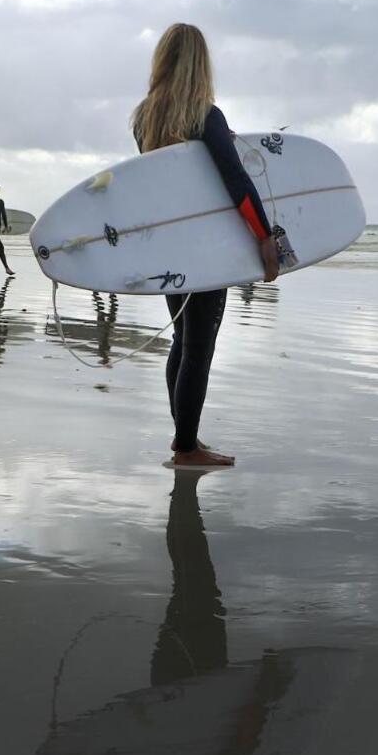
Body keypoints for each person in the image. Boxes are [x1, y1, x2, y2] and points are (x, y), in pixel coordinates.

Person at [132, 23, 281, 467]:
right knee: (199, 345)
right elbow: (235, 182)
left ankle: (183, 437)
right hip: (207, 251)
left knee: (183, 338)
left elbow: (177, 179)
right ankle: (186, 446)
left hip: (168, 246)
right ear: (202, 64)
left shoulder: (144, 117)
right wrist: (266, 237)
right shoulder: (204, 115)